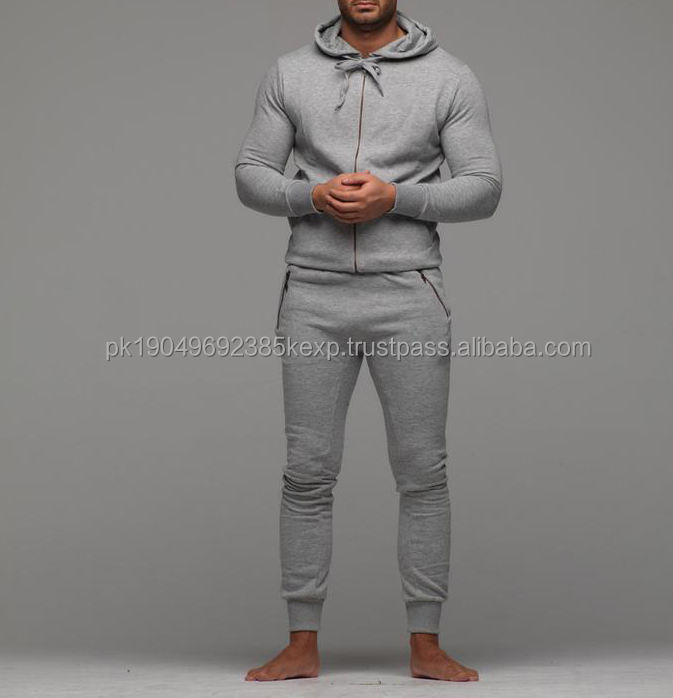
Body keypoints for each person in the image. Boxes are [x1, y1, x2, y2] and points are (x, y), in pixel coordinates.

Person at [234, 0, 502, 682]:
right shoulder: (290, 73)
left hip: (409, 295)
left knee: (422, 471)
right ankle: (301, 643)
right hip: (314, 296)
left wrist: (396, 198)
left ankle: (426, 645)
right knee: (307, 471)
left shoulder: (449, 76)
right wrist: (311, 195)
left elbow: (483, 188)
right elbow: (250, 173)